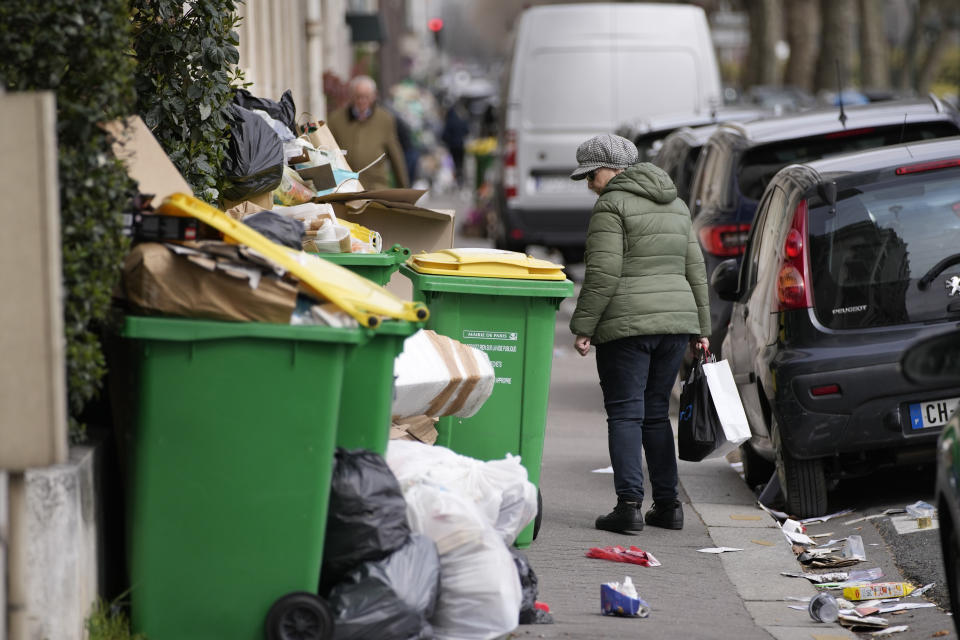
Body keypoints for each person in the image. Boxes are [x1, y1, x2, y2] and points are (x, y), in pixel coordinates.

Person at [569, 133, 711, 534]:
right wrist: (701, 329)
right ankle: (668, 506)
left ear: (609, 170)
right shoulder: (677, 204)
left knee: (626, 413)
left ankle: (629, 506)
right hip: (675, 327)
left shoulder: (611, 206)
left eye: (590, 175)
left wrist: (583, 327)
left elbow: (603, 274)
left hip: (627, 327)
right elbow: (695, 270)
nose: (588, 185)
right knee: (654, 415)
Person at [326, 75, 409, 190]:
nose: (362, 101)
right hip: (345, 188)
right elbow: (326, 152)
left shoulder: (385, 119)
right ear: (351, 96)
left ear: (374, 96)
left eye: (366, 97)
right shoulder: (336, 119)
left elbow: (395, 155)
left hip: (376, 188)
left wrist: (403, 189)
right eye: (358, 97)